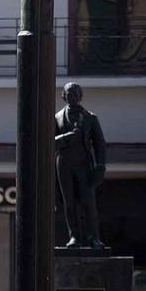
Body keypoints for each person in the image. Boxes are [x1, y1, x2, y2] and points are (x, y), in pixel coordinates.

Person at [54, 82, 107, 248]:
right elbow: (50, 142)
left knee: (88, 201)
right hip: (64, 163)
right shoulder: (57, 118)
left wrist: (100, 166)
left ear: (81, 96)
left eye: (76, 93)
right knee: (68, 201)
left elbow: (100, 143)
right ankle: (74, 236)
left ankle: (93, 237)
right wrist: (68, 137)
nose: (73, 96)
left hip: (84, 163)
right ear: (64, 96)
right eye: (69, 93)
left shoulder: (90, 118)